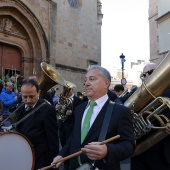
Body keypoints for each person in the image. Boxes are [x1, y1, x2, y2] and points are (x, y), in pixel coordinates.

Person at [52, 65, 135, 170]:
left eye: (92, 79)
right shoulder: (79, 109)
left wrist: (107, 150)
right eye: (85, 80)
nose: (86, 84)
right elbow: (74, 138)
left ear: (106, 83)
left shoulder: (120, 111)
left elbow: (129, 145)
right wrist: (62, 155)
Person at [131, 63, 170, 170]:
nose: (150, 75)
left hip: (164, 153)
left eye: (153, 72)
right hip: (139, 152)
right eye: (146, 74)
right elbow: (120, 101)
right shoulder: (137, 92)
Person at [15, 79, 59, 170]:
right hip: (24, 155)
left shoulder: (48, 110)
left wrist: (52, 164)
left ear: (38, 92)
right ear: (20, 94)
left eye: (31, 96)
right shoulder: (20, 107)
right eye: (25, 97)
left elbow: (53, 140)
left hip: (41, 157)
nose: (28, 100)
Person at [57, 86, 83, 169]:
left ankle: (69, 165)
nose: (66, 92)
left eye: (68, 90)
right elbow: (60, 111)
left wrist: (71, 113)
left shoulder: (78, 100)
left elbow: (79, 112)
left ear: (72, 90)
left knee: (70, 146)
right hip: (62, 125)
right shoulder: (62, 98)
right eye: (65, 90)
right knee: (63, 144)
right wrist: (57, 108)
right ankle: (65, 164)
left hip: (71, 126)